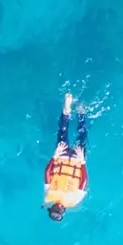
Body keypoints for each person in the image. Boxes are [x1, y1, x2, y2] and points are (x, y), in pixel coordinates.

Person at [43, 93, 90, 222]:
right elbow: (83, 182)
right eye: (58, 209)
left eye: (55, 208)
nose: (57, 206)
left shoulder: (50, 195)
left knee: (65, 133)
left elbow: (47, 173)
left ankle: (68, 111)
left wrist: (54, 156)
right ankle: (80, 113)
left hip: (62, 157)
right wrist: (82, 162)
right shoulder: (72, 200)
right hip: (76, 161)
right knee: (81, 136)